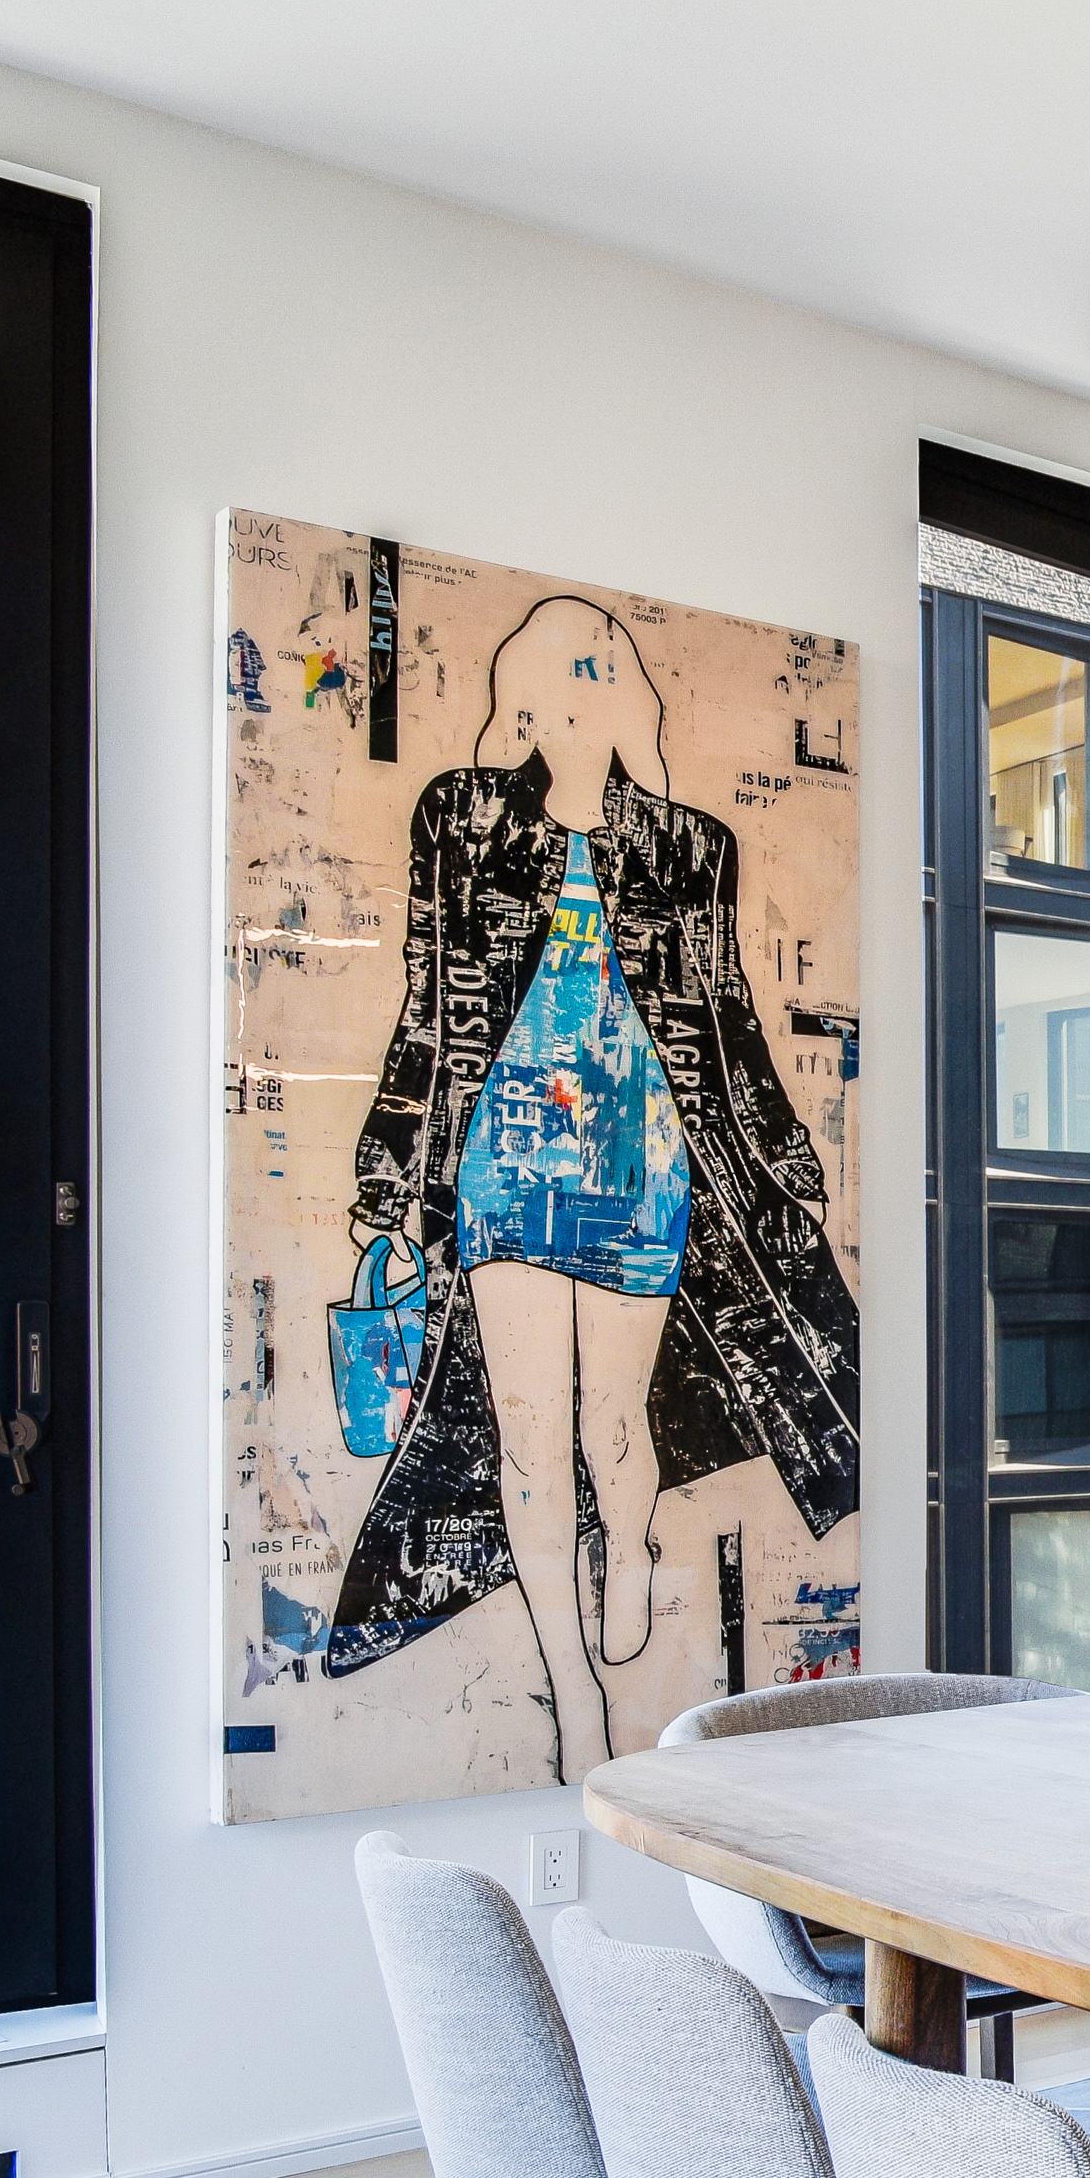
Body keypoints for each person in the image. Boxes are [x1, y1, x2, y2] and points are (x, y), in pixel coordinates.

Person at [320, 598, 862, 1773]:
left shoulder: (689, 847)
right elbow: (426, 1004)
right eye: (553, 681)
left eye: (594, 674)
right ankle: (573, 1690)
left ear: (624, 693)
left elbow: (730, 1025)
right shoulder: (459, 823)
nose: (572, 701)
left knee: (614, 1428)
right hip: (504, 1173)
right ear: (520, 693)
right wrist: (387, 1173)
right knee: (528, 1441)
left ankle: (629, 1539)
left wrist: (781, 1162)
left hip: (640, 1171)